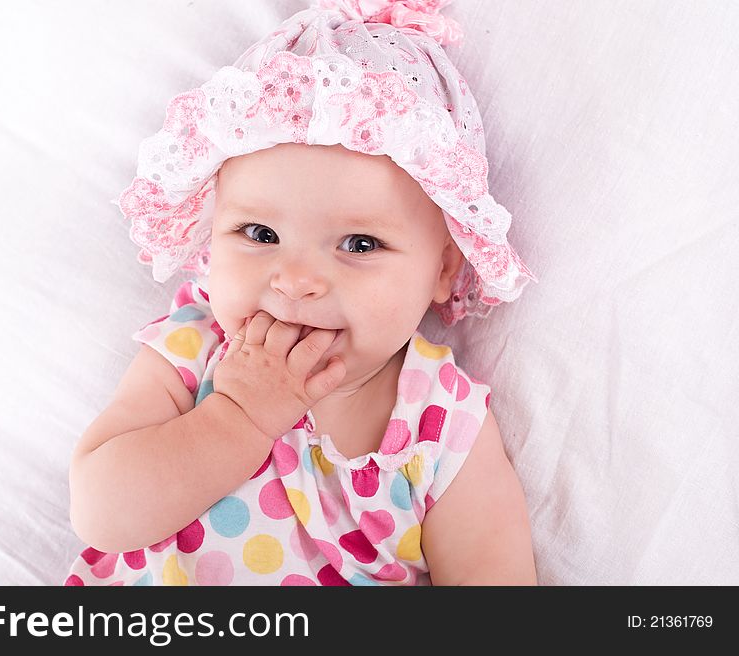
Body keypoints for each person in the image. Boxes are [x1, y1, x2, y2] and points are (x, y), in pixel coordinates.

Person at [66, 0, 539, 586]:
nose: (295, 281)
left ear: (445, 268)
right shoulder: (194, 350)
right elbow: (101, 514)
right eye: (260, 234)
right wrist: (236, 418)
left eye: (360, 245)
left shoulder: (438, 424)